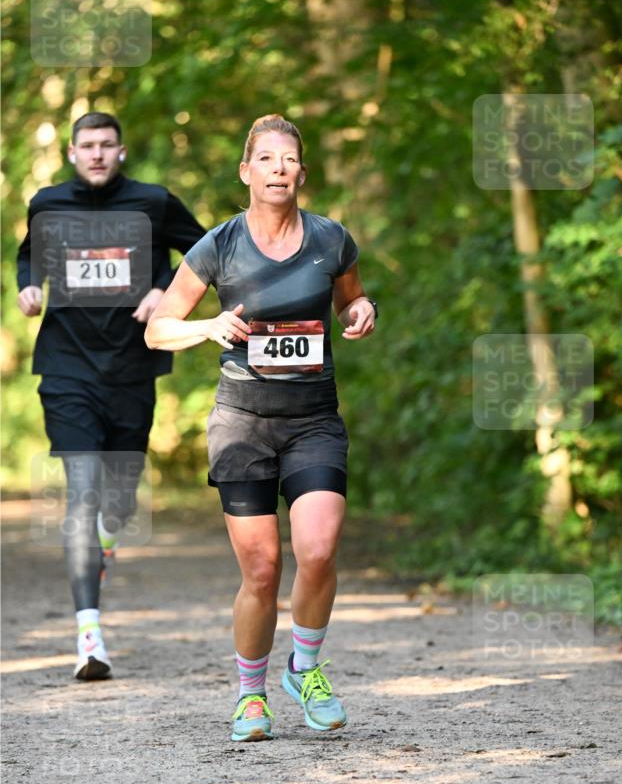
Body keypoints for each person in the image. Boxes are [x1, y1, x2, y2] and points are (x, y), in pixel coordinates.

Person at [145, 113, 376, 741]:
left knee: (320, 549)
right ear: (247, 172)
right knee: (262, 571)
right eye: (267, 159)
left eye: (290, 159)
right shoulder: (218, 245)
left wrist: (361, 309)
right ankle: (251, 696)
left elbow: (351, 297)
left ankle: (305, 667)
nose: (280, 169)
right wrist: (208, 327)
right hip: (242, 423)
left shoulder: (331, 240)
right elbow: (157, 327)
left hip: (313, 421)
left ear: (303, 171)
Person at [17, 111, 206, 681]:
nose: (97, 154)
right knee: (81, 494)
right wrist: (27, 283)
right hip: (67, 368)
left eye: (107, 145)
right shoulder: (49, 203)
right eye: (87, 146)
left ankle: (108, 536)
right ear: (72, 153)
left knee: (117, 503)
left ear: (121, 152)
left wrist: (161, 291)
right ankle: (89, 636)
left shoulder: (153, 202)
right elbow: (30, 253)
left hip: (131, 368)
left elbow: (202, 252)